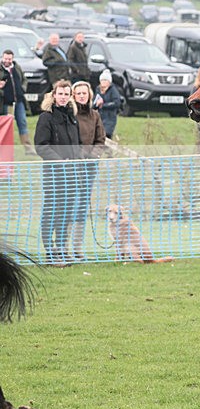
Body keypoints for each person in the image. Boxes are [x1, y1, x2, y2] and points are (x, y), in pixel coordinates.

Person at [34, 80, 81, 267]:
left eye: (66, 94)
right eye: (60, 94)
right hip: (54, 173)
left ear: (70, 96)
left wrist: (77, 162)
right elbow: (41, 146)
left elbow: (75, 145)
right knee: (52, 211)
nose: (63, 97)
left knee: (66, 212)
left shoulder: (71, 117)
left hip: (72, 174)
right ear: (54, 95)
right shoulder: (46, 117)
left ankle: (62, 248)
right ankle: (50, 251)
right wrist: (60, 162)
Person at [70, 81, 106, 262]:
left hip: (89, 168)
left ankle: (77, 248)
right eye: (78, 93)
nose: (82, 96)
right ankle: (63, 246)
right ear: (73, 96)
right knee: (68, 206)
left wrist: (92, 157)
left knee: (82, 208)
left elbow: (100, 140)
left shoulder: (95, 116)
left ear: (89, 95)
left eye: (84, 93)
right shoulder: (69, 115)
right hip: (71, 166)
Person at [0, 49, 35, 155]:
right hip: (6, 103)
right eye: (5, 58)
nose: (7, 60)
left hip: (19, 101)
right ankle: (5, 150)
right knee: (7, 126)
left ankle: (28, 149)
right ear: (2, 58)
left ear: (12, 59)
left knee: (22, 123)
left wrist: (22, 88)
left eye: (9, 59)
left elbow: (24, 80)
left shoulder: (16, 67)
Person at [94, 68, 122, 139]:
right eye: (102, 80)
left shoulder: (113, 90)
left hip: (110, 117)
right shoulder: (98, 90)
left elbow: (117, 103)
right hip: (100, 117)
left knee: (107, 135)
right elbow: (94, 103)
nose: (103, 82)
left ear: (109, 82)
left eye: (105, 80)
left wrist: (103, 105)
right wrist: (96, 104)